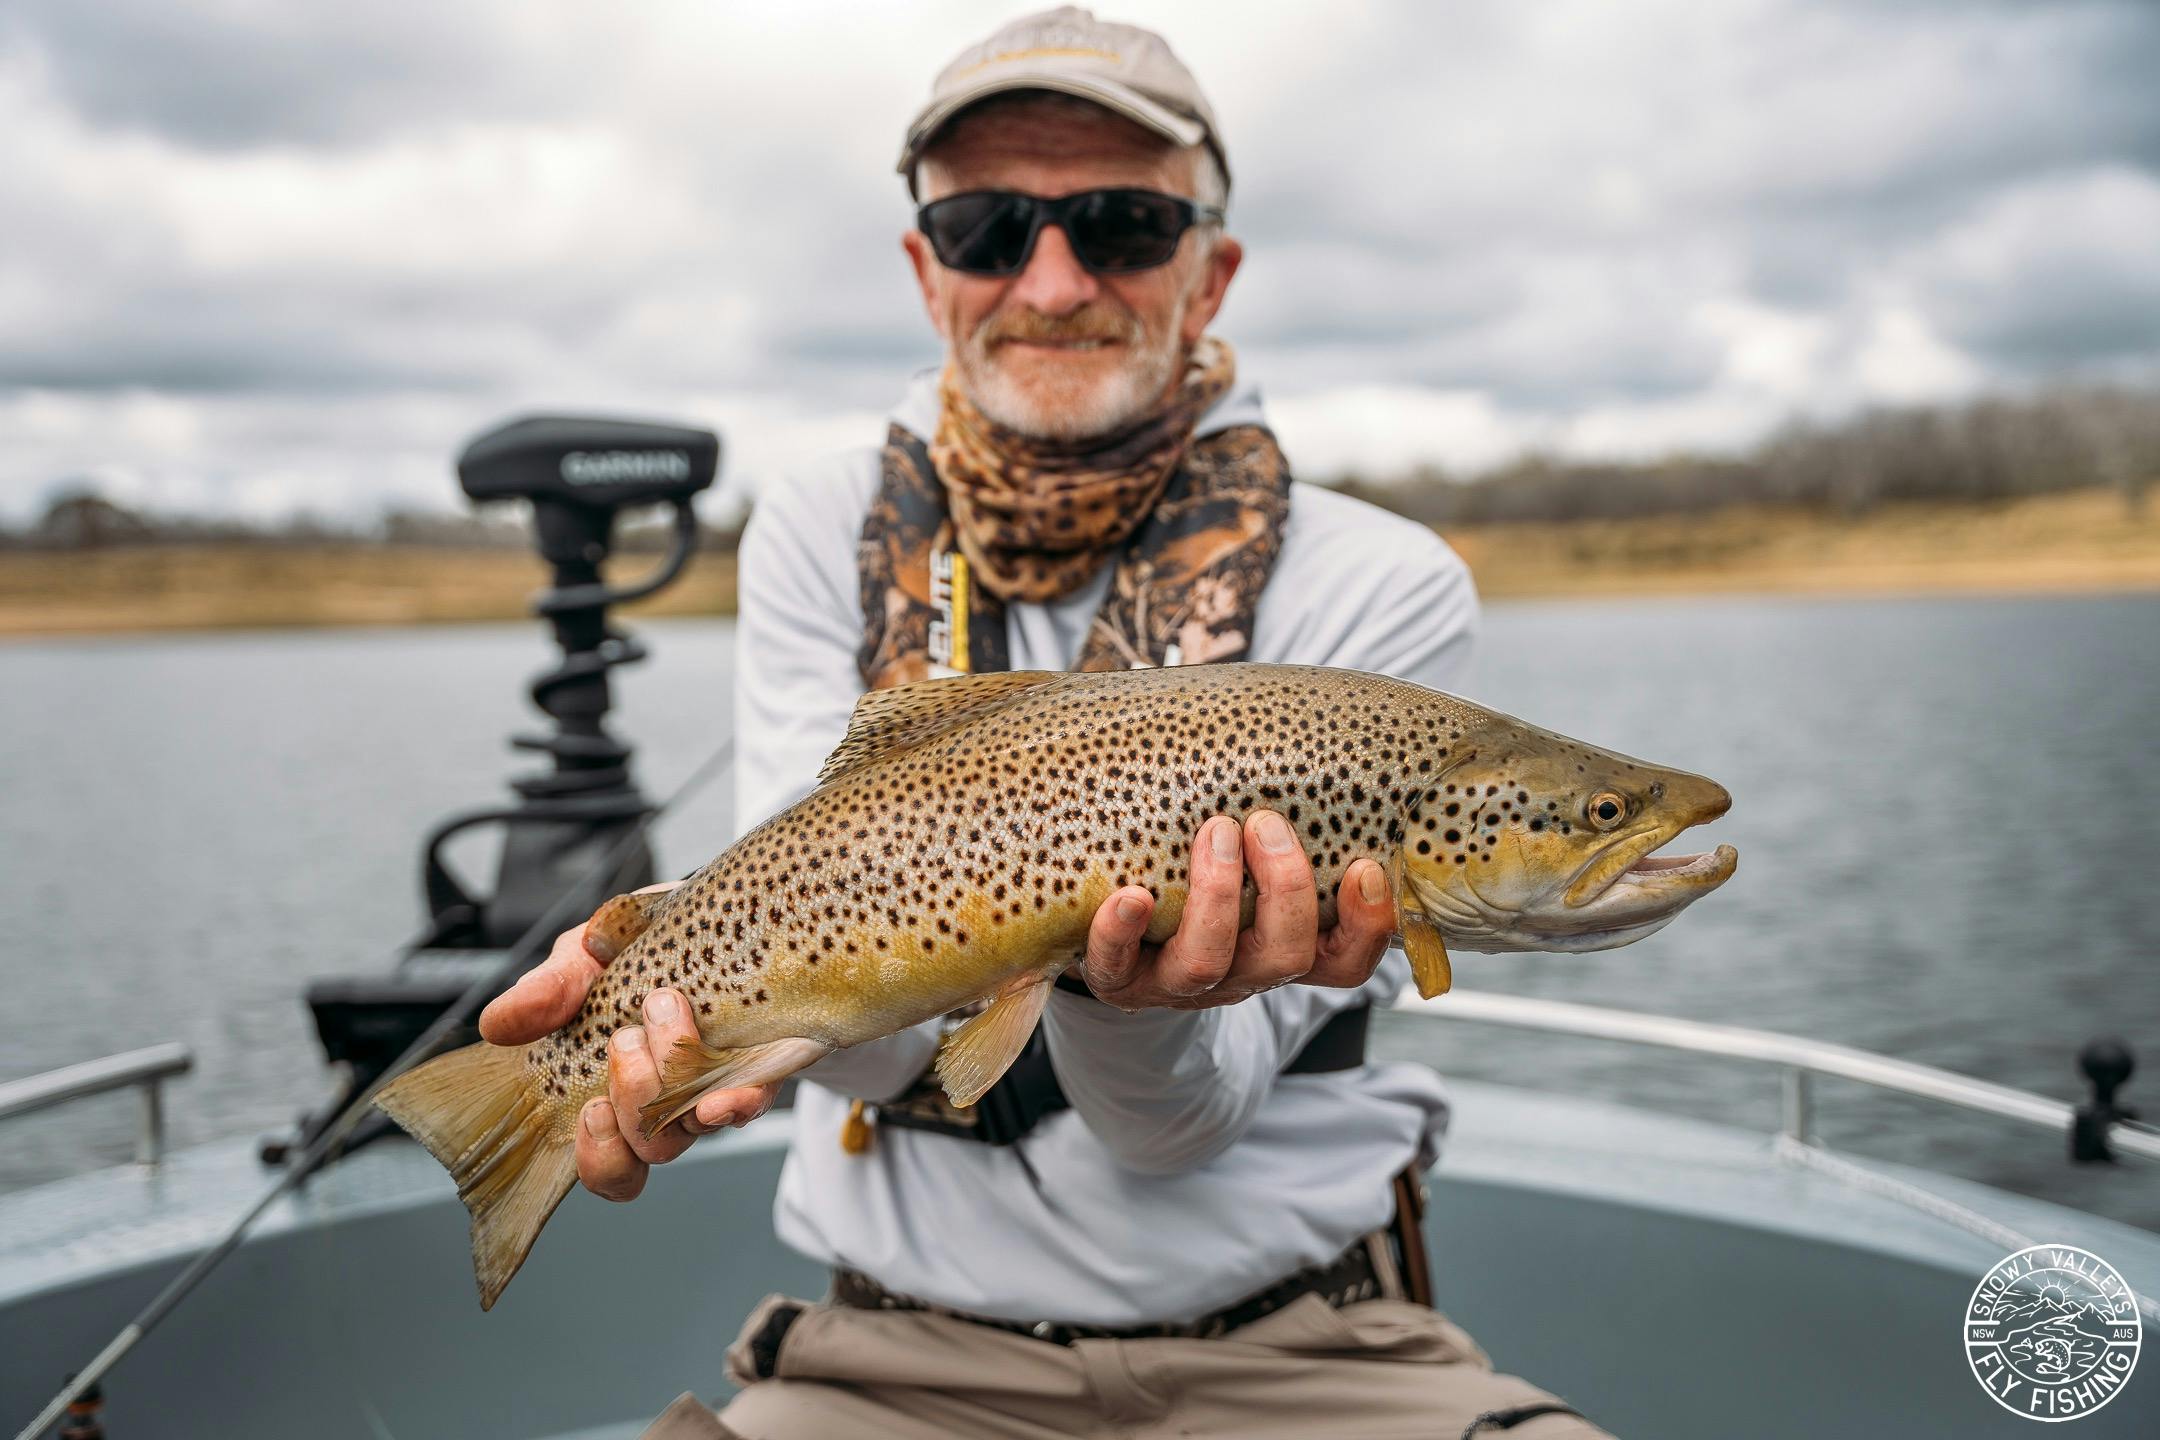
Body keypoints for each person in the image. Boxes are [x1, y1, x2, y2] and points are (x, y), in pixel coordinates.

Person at [479, 9, 1611, 1437]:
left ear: (1212, 271)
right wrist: (675, 989)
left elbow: (1175, 1132)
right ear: (925, 270)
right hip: (887, 1365)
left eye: (1125, 223)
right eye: (988, 226)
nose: (1055, 280)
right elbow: (878, 1050)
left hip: (1313, 1355)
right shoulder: (820, 529)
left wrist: (1116, 993)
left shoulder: (1383, 591)